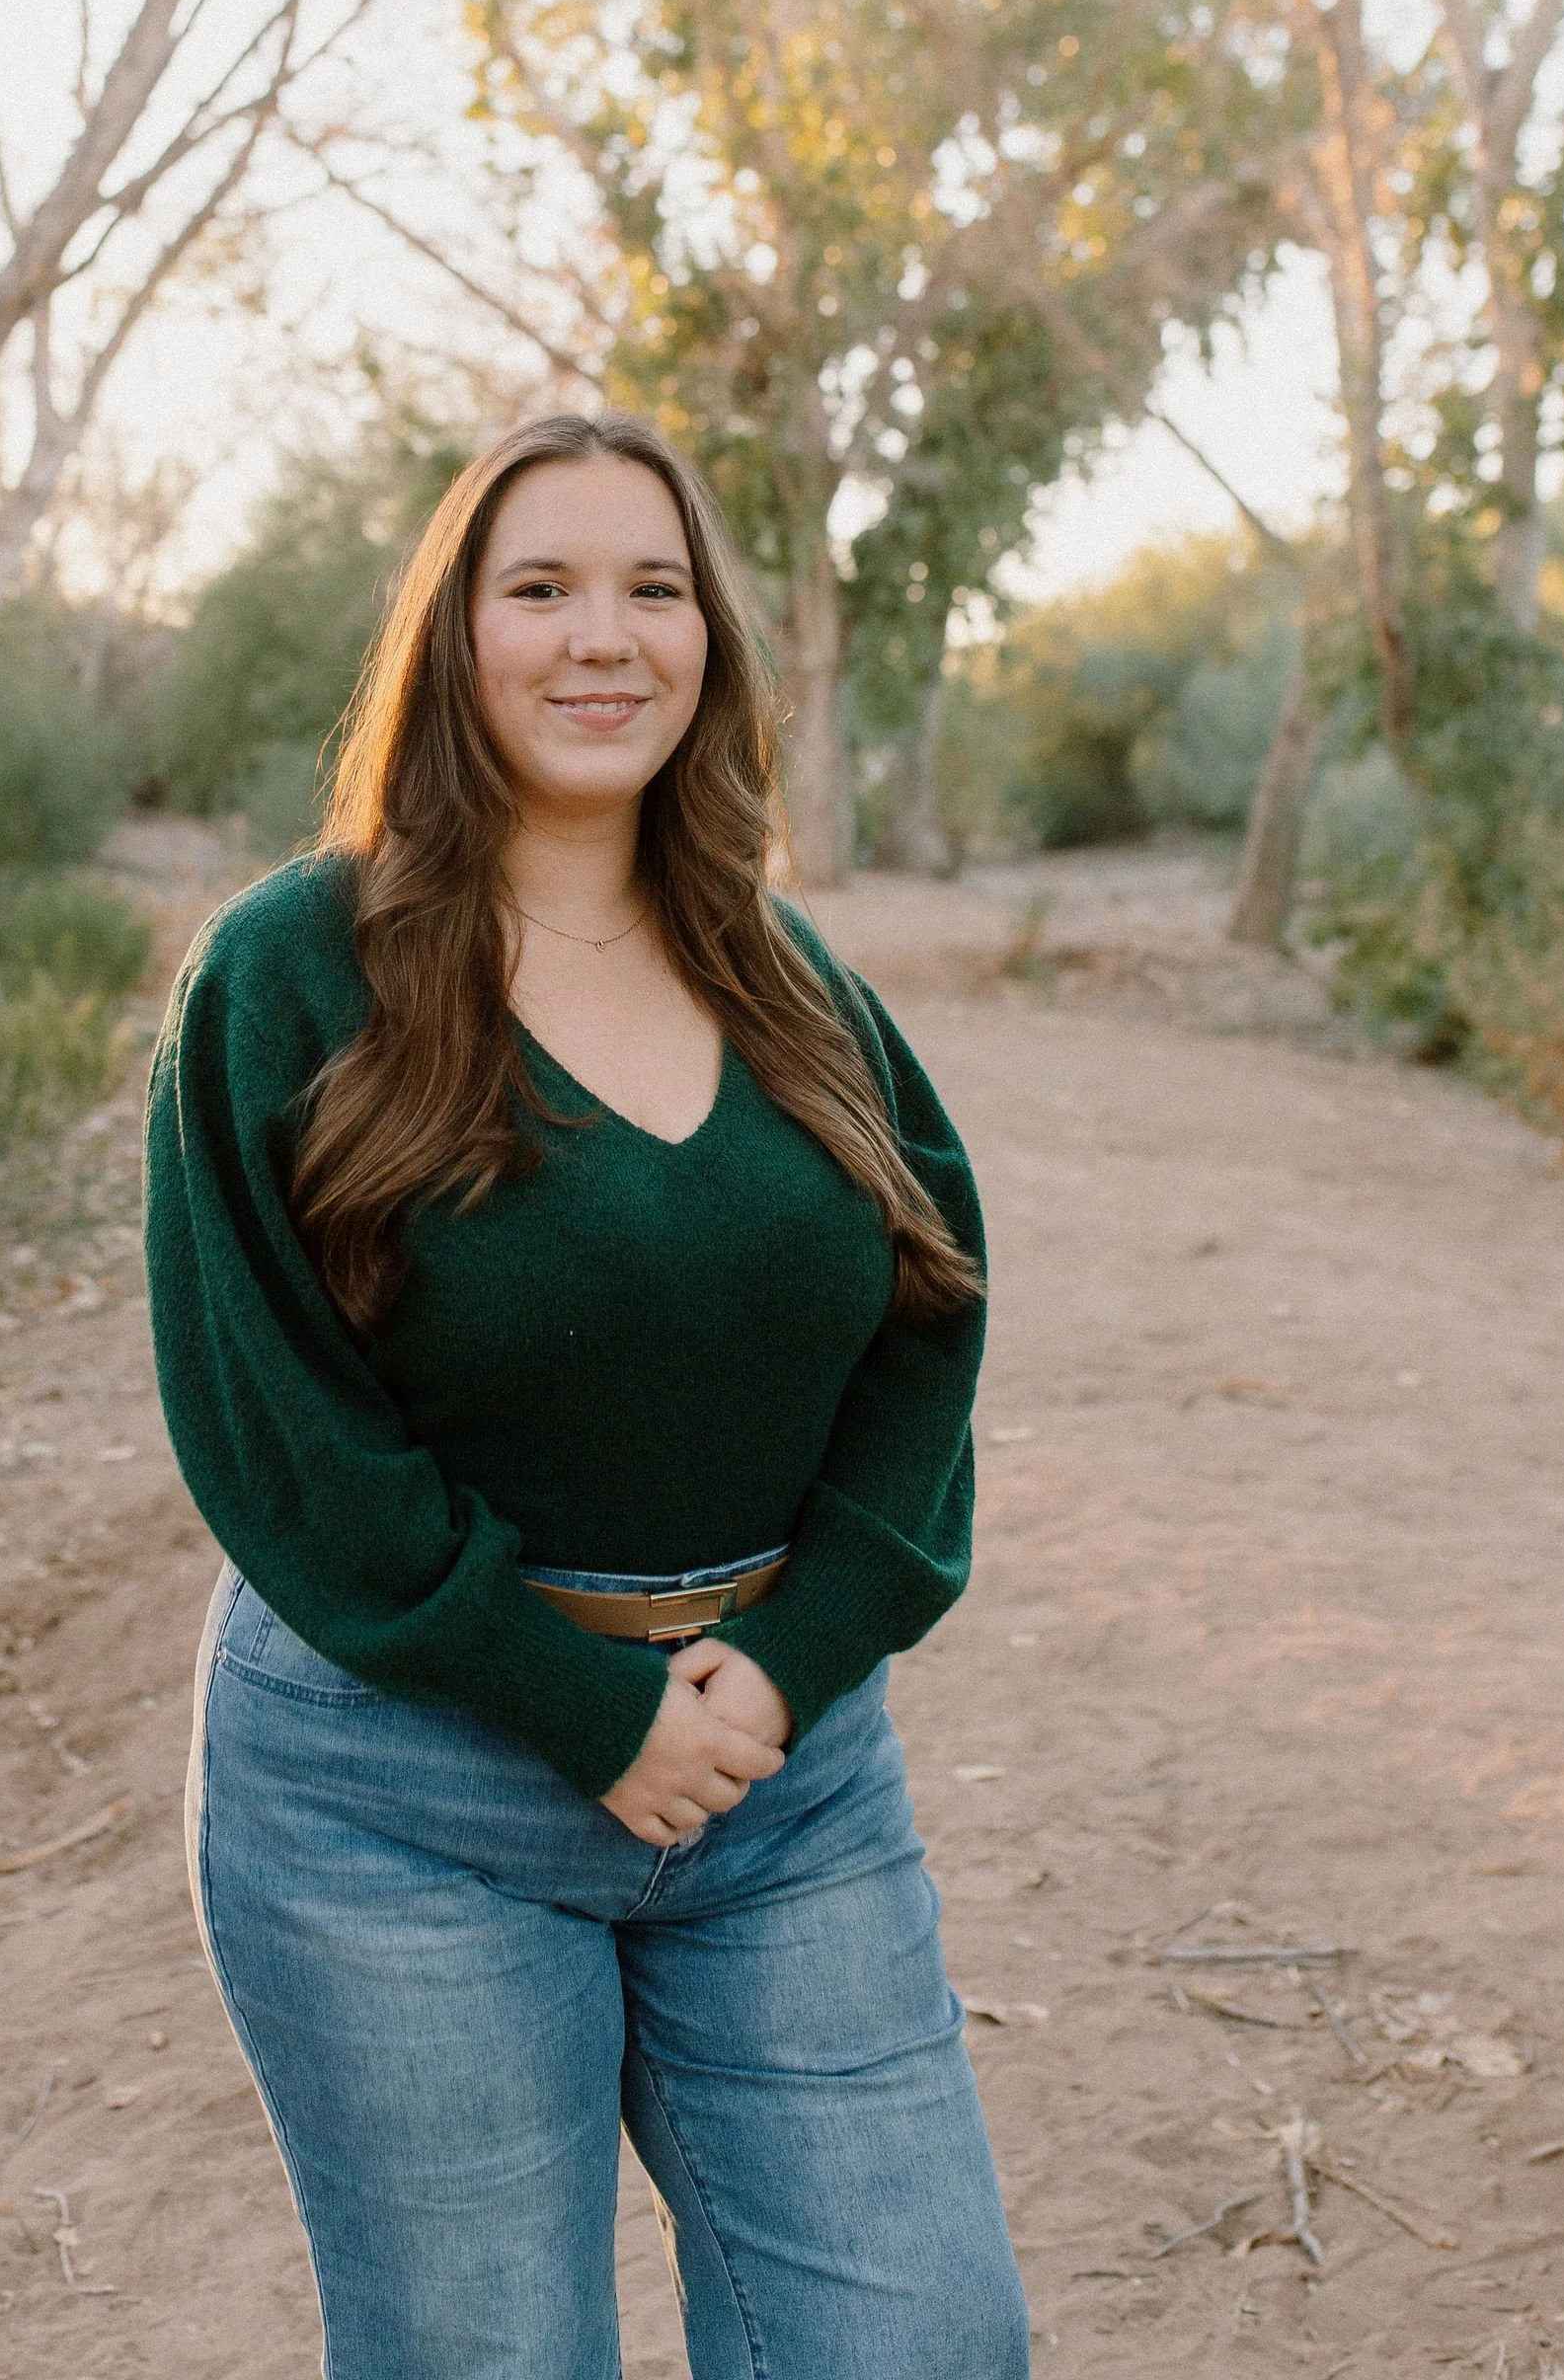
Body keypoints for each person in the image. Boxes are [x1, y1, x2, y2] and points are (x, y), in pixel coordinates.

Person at [145, 410, 1030, 2380]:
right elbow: (272, 1421)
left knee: (922, 2341)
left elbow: (929, 1314)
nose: (598, 636)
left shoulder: (782, 976)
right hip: (401, 1794)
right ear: (452, 639)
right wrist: (576, 1703)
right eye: (537, 588)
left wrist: (789, 1662)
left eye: (652, 588)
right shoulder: (295, 973)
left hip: (773, 1773)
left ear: (708, 639)